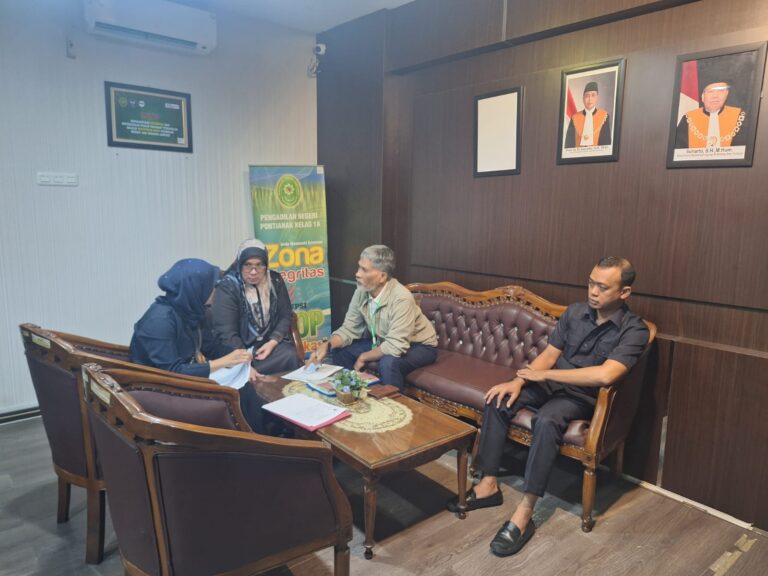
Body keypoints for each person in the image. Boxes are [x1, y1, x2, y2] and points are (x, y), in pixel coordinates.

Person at [447, 257, 649, 557]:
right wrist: (518, 381)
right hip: (551, 383)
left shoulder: (635, 330)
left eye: (603, 287)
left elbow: (606, 375)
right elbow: (550, 355)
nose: (593, 292)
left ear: (624, 292)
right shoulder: (575, 312)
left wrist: (547, 375)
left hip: (582, 397)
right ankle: (488, 484)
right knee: (499, 398)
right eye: (591, 283)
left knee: (547, 419)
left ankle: (525, 512)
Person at [306, 244, 438, 391]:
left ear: (382, 276)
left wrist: (363, 357)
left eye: (364, 270)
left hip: (420, 346)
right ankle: (349, 393)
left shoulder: (401, 298)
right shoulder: (361, 292)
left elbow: (396, 345)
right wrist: (327, 345)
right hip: (383, 341)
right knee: (340, 351)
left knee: (388, 363)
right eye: (359, 267)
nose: (357, 274)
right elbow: (349, 328)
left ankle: (390, 403)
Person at [130, 258, 252, 378]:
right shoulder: (159, 321)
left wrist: (243, 357)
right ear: (196, 288)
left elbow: (211, 347)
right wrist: (222, 362)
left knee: (249, 384)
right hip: (154, 385)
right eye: (213, 286)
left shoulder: (192, 310)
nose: (217, 290)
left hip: (184, 380)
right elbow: (172, 371)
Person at [212, 239, 302, 375]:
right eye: (247, 265)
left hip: (267, 346)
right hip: (237, 351)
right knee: (241, 374)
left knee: (289, 355)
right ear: (240, 264)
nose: (253, 272)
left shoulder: (275, 280)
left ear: (266, 265)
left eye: (259, 265)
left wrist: (272, 342)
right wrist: (244, 363)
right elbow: (227, 333)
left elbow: (285, 315)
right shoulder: (228, 287)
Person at [675, 81, 746, 148]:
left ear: (726, 94)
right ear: (702, 96)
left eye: (720, 91)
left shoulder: (739, 116)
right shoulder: (688, 118)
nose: (715, 96)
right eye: (710, 91)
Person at [564, 81, 612, 148]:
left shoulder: (604, 116)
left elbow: (606, 144)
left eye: (593, 95)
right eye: (587, 96)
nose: (590, 99)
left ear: (597, 97)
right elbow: (568, 144)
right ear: (583, 98)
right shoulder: (575, 117)